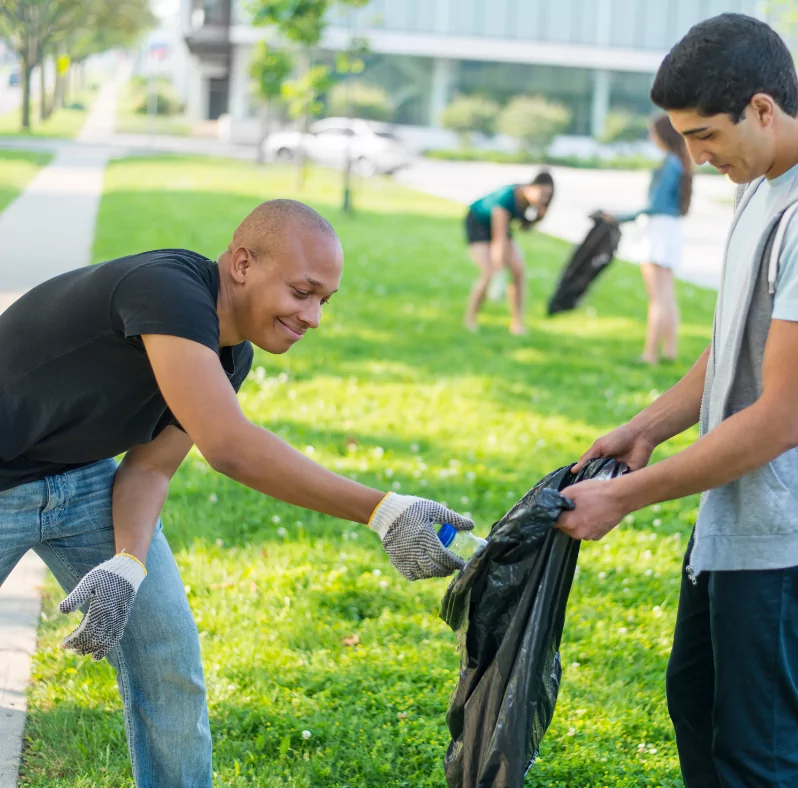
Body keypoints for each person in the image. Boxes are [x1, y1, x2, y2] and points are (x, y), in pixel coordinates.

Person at [0, 199, 475, 788]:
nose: (313, 317)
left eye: (324, 301)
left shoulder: (231, 353)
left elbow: (149, 471)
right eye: (302, 292)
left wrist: (127, 563)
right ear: (243, 263)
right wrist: (382, 511)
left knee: (168, 662)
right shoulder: (165, 289)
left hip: (81, 476)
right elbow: (228, 447)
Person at [555, 13, 798, 788]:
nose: (695, 156)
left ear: (761, 109)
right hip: (738, 502)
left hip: (787, 520)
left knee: (754, 748)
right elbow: (737, 339)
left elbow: (782, 422)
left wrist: (626, 498)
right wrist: (647, 427)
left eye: (704, 135)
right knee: (698, 700)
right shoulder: (766, 177)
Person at [608, 113, 695, 364]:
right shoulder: (680, 161)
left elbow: (654, 205)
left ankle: (649, 354)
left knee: (657, 297)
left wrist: (620, 217)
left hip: (657, 230)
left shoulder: (669, 163)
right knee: (667, 295)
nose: (651, 137)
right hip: (670, 230)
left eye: (653, 132)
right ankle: (669, 351)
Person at [463, 171, 555, 335]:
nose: (544, 199)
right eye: (541, 194)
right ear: (530, 187)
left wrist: (538, 217)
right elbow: (500, 239)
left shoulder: (531, 203)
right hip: (478, 223)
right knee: (489, 272)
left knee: (518, 271)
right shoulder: (506, 198)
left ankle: (517, 324)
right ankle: (470, 320)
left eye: (547, 196)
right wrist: (498, 269)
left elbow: (521, 227)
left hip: (501, 227)